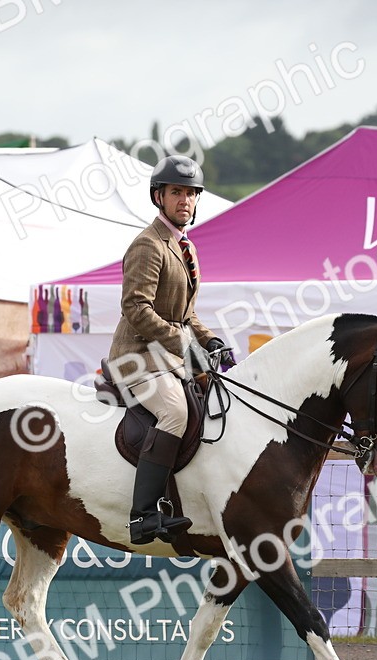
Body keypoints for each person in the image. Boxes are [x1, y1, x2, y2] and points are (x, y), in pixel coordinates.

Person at [107, 155, 233, 545]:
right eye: (177, 192)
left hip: (169, 357)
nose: (185, 200)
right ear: (158, 196)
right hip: (137, 358)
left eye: (191, 194)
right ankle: (143, 515)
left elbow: (185, 314)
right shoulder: (148, 245)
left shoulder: (185, 247)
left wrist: (209, 340)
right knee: (175, 412)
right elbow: (136, 308)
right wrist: (184, 345)